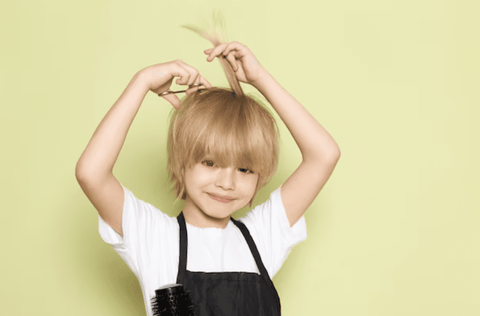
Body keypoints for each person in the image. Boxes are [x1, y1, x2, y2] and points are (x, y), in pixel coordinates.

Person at [75, 16, 341, 316]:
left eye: (244, 169)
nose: (227, 182)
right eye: (211, 162)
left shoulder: (261, 237)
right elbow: (91, 173)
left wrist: (259, 79)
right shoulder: (154, 238)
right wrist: (143, 81)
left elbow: (324, 154)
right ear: (182, 161)